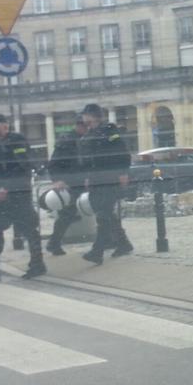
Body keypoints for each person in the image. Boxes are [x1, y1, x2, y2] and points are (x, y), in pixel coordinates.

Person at [0, 114, 46, 282]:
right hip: (3, 196)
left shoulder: (17, 140)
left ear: (6, 126)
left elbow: (22, 166)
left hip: (18, 193)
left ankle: (37, 263)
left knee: (28, 229)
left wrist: (6, 187)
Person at [78, 103, 133, 265]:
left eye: (85, 115)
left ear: (92, 116)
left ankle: (97, 251)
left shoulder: (109, 130)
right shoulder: (89, 134)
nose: (83, 118)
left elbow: (122, 152)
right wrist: (87, 177)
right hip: (96, 180)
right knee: (106, 214)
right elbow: (89, 160)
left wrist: (123, 172)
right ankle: (123, 244)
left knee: (103, 216)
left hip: (110, 179)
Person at [45, 114, 88, 256]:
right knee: (67, 214)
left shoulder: (83, 139)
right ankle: (54, 243)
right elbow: (53, 164)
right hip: (71, 183)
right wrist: (58, 180)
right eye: (85, 127)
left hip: (81, 182)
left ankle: (54, 243)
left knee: (102, 209)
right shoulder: (67, 141)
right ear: (79, 126)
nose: (87, 129)